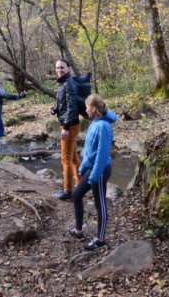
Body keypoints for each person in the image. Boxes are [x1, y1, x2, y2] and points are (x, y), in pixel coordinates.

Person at [67, 94, 115, 251]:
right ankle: (79, 231)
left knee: (99, 203)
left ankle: (100, 240)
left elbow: (102, 154)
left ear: (93, 109)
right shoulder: (96, 121)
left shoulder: (104, 126)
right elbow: (90, 149)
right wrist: (83, 167)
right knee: (76, 194)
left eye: (87, 107)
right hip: (92, 167)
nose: (85, 110)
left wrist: (94, 176)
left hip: (100, 170)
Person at [50, 58, 81, 201]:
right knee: (73, 158)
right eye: (57, 68)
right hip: (68, 122)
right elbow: (64, 103)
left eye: (62, 67)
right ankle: (80, 186)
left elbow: (72, 107)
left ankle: (68, 191)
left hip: (70, 124)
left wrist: (66, 127)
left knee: (66, 159)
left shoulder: (69, 84)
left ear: (68, 68)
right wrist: (55, 109)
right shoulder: (63, 83)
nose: (59, 70)